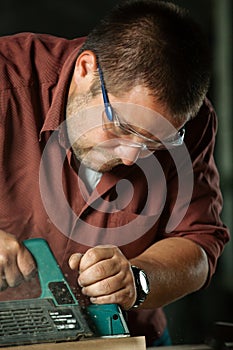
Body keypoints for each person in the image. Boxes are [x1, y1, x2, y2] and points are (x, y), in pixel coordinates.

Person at [0, 0, 230, 346]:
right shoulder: (6, 81)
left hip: (128, 338)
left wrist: (138, 281)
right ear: (86, 69)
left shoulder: (194, 124)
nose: (130, 159)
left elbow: (198, 242)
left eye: (156, 143)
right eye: (121, 127)